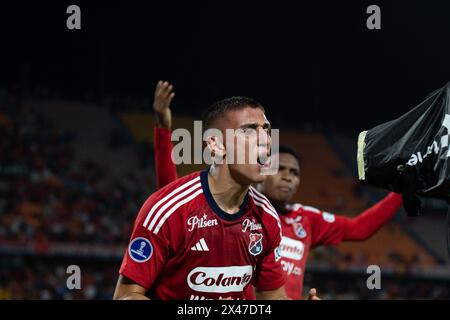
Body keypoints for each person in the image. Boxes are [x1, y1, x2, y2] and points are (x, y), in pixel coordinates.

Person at [152, 81, 403, 300]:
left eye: (294, 173)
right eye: (279, 168)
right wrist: (163, 130)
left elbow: (359, 229)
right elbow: (170, 194)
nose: (287, 178)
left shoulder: (306, 219)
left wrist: (402, 189)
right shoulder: (226, 211)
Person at [113, 82, 287, 300]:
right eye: (249, 130)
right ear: (216, 145)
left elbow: (273, 298)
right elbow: (125, 296)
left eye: (267, 131)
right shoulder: (168, 210)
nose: (266, 141)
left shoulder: (267, 217)